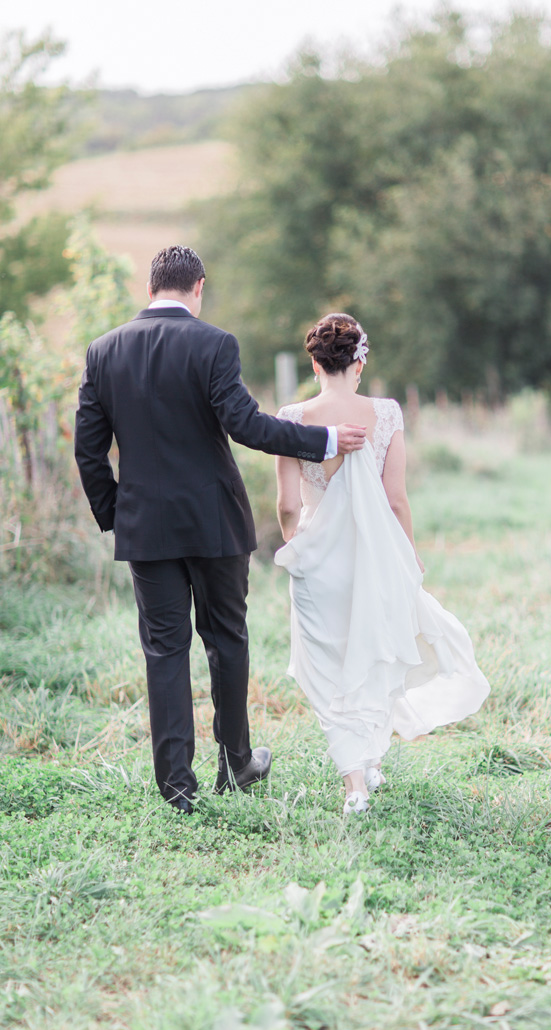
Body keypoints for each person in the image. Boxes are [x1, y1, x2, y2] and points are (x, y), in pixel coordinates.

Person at [74, 245, 368, 814]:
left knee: (164, 650)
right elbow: (246, 426)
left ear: (151, 286)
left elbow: (88, 451)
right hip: (214, 522)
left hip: (146, 529)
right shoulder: (214, 343)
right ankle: (236, 764)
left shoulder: (103, 350)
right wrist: (324, 440)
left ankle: (177, 788)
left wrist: (118, 514)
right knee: (226, 640)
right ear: (198, 287)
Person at [273, 313, 489, 814]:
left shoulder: (290, 417)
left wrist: (296, 546)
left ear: (313, 362)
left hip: (317, 559)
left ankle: (356, 782)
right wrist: (407, 556)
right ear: (360, 362)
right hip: (374, 559)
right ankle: (365, 766)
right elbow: (396, 501)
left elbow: (286, 505)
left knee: (329, 666)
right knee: (372, 651)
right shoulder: (387, 414)